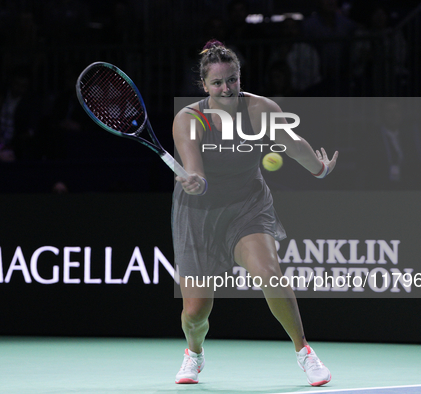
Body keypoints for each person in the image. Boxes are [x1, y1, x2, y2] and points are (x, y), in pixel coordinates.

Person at [172, 40, 338, 387]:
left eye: (232, 80)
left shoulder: (261, 110)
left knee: (269, 272)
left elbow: (293, 146)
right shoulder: (189, 118)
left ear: (239, 77)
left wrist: (320, 169)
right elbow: (196, 171)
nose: (226, 88)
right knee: (195, 312)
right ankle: (194, 353)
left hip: (247, 205)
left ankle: (304, 352)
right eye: (217, 83)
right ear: (204, 86)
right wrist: (195, 183)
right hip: (199, 213)